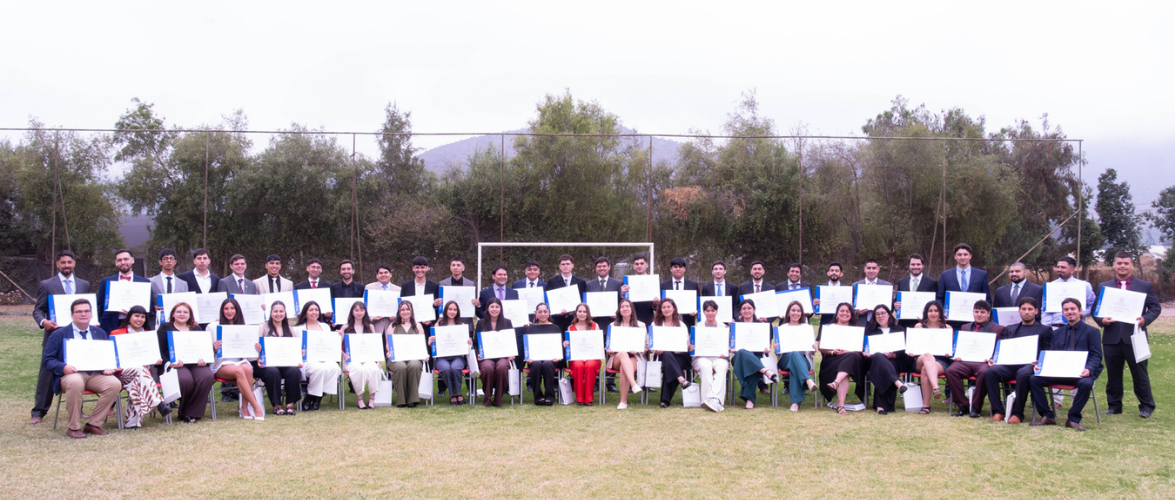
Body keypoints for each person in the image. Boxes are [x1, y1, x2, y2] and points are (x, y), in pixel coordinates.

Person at [1093, 251, 1161, 418]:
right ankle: (1114, 406)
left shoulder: (1144, 285)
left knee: (1140, 374)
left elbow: (1155, 308)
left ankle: (1146, 406)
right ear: (1114, 265)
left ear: (1131, 265)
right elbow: (1096, 310)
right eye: (1119, 263)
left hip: (1135, 337)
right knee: (1113, 374)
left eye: (1126, 263)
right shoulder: (1104, 286)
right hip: (1111, 337)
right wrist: (1103, 321)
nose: (1122, 266)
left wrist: (1145, 319)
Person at [41, 299, 122, 438]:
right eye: (79, 311)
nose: (83, 314)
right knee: (76, 381)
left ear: (91, 314)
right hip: (70, 375)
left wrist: (109, 367)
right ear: (72, 315)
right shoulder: (59, 334)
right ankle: (74, 428)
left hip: (95, 374)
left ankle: (93, 424)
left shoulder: (100, 333)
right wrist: (63, 367)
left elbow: (107, 356)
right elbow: (47, 360)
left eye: (86, 311)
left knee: (114, 383)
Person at [30, 250, 91, 424]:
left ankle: (78, 409)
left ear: (74, 264)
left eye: (69, 262)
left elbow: (87, 307)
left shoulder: (83, 284)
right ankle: (38, 412)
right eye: (63, 263)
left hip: (78, 335)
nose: (66, 265)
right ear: (57, 264)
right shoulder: (47, 284)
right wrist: (43, 322)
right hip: (54, 334)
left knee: (77, 370)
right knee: (47, 373)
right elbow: (38, 310)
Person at [1029, 298, 1104, 431]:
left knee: (1086, 384)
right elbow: (1051, 353)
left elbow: (1096, 355)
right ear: (1063, 313)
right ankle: (1047, 415)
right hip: (1059, 371)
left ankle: (1073, 418)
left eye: (1073, 309)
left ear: (1080, 311)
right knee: (1034, 379)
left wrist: (1089, 369)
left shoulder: (1092, 332)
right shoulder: (1056, 333)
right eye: (1066, 310)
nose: (1069, 312)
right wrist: (1041, 363)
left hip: (1081, 372)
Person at [983, 297, 1052, 423]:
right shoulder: (1010, 328)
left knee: (1023, 373)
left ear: (1036, 311)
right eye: (1024, 309)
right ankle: (998, 411)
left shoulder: (1045, 330)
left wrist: (1039, 361)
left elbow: (1047, 351)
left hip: (1030, 365)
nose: (1027, 312)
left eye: (1030, 309)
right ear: (1019, 311)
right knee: (990, 372)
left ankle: (1017, 413)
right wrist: (994, 359)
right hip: (1010, 364)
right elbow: (1003, 348)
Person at [108, 305, 170, 427]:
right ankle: (158, 402)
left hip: (143, 376)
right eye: (136, 315)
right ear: (129, 317)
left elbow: (153, 355)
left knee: (137, 380)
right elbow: (111, 357)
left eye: (142, 317)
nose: (139, 319)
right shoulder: (117, 334)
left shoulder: (149, 335)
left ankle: (132, 423)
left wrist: (156, 360)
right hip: (123, 373)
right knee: (139, 371)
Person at [206, 297, 265, 420]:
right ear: (222, 311)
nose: (229, 311)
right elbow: (206, 352)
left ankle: (244, 408)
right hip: (220, 365)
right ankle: (256, 406)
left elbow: (251, 357)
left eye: (232, 308)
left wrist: (256, 349)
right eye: (226, 308)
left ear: (237, 310)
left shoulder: (243, 327)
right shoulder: (213, 327)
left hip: (239, 362)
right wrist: (213, 348)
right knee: (239, 370)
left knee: (248, 368)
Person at [156, 302, 215, 423]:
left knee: (207, 376)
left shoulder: (197, 329)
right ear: (173, 313)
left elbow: (204, 349)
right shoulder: (165, 327)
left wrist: (204, 360)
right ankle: (185, 412)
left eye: (185, 312)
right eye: (178, 311)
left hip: (195, 364)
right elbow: (159, 349)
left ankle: (191, 412)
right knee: (185, 380)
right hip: (175, 365)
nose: (182, 314)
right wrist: (169, 363)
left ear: (190, 315)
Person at [945, 300, 1006, 417]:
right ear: (973, 312)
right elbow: (959, 346)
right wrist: (956, 354)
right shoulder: (965, 327)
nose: (979, 314)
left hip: (984, 362)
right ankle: (963, 406)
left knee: (984, 372)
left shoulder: (998, 329)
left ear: (989, 314)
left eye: (982, 312)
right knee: (950, 371)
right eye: (976, 311)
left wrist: (992, 359)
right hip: (965, 361)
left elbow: (1001, 349)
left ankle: (976, 408)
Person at [817, 303, 866, 415]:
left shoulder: (856, 329)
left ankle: (836, 385)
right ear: (837, 314)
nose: (845, 313)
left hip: (853, 358)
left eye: (847, 311)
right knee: (845, 369)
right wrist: (832, 352)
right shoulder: (829, 327)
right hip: (833, 359)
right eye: (842, 311)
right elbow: (820, 346)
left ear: (851, 314)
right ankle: (841, 406)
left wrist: (848, 351)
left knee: (852, 357)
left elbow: (861, 348)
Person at [293, 301, 342, 411]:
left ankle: (316, 397)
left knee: (334, 368)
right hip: (307, 360)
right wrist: (299, 351)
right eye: (311, 310)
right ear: (305, 313)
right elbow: (293, 347)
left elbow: (331, 344)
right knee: (319, 369)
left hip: (325, 358)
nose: (314, 312)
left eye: (316, 310)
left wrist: (339, 336)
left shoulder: (325, 327)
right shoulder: (297, 329)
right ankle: (312, 396)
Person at [729, 299, 778, 409]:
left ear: (754, 310)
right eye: (744, 308)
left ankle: (749, 399)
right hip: (739, 358)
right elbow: (730, 346)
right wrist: (731, 348)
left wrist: (766, 348)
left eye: (749, 308)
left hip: (758, 356)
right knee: (742, 352)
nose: (747, 311)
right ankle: (765, 371)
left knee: (753, 365)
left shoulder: (762, 326)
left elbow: (767, 345)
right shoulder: (735, 326)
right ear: (740, 311)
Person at [257, 301, 302, 416]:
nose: (278, 314)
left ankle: (289, 405)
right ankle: (276, 406)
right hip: (268, 364)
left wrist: (299, 356)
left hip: (285, 363)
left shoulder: (290, 329)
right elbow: (258, 347)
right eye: (275, 311)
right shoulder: (263, 327)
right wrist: (259, 359)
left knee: (294, 371)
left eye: (281, 311)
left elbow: (294, 350)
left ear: (285, 313)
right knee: (273, 372)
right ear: (271, 313)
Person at [95, 248, 155, 333]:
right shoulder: (106, 281)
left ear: (132, 260)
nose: (123, 262)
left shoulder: (144, 282)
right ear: (116, 263)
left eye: (126, 259)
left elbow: (149, 308)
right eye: (119, 260)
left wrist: (136, 312)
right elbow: (100, 305)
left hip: (136, 325)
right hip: (111, 324)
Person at [863, 304, 908, 414]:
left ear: (889, 314)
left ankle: (880, 406)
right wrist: (867, 354)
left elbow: (905, 351)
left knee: (883, 368)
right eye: (877, 314)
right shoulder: (869, 330)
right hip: (873, 361)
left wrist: (894, 355)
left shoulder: (899, 329)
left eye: (883, 313)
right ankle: (897, 382)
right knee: (878, 356)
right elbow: (864, 348)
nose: (880, 316)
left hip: (894, 361)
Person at [775, 301, 819, 412]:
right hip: (785, 359)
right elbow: (778, 353)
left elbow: (812, 353)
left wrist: (814, 348)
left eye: (798, 311)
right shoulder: (781, 328)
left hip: (804, 360)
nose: (796, 313)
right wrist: (776, 348)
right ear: (788, 313)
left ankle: (795, 403)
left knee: (795, 366)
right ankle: (808, 380)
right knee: (794, 354)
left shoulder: (807, 328)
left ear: (802, 313)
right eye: (793, 310)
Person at [909, 301, 952, 414]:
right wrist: (911, 351)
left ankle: (926, 406)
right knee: (927, 355)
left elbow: (951, 349)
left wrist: (949, 352)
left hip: (940, 361)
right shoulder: (918, 327)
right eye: (930, 311)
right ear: (926, 313)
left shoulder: (947, 328)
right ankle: (935, 387)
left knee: (925, 369)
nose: (933, 313)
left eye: (936, 311)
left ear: (941, 313)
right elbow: (912, 346)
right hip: (920, 359)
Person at [936, 243, 992, 327]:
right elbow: (940, 297)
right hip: (952, 322)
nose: (962, 257)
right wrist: (941, 312)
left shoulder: (981, 275)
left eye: (965, 254)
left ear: (970, 256)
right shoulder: (945, 275)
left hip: (975, 322)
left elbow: (987, 298)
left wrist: (985, 315)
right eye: (959, 255)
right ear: (955, 256)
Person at [341, 301, 383, 409]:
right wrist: (343, 355)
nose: (359, 313)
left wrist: (378, 361)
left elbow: (375, 346)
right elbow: (337, 346)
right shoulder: (345, 327)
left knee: (374, 369)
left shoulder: (370, 327)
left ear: (365, 311)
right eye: (356, 310)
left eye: (362, 310)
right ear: (352, 312)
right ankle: (359, 399)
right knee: (360, 370)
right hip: (352, 360)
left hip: (368, 359)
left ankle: (371, 399)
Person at [431, 300, 474, 406]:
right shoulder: (439, 325)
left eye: (454, 309)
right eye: (450, 309)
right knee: (445, 369)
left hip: (457, 357)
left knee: (455, 368)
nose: (452, 311)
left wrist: (469, 342)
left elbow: (468, 344)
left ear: (457, 312)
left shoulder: (462, 325)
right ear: (445, 310)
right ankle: (453, 394)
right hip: (442, 358)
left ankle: (457, 393)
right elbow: (432, 343)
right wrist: (431, 340)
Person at [474, 298, 515, 407]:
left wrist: (511, 353)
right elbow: (476, 343)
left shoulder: (507, 322)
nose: (494, 309)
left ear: (501, 309)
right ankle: (487, 398)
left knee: (502, 366)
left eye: (497, 307)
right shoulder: (481, 323)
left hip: (502, 355)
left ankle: (498, 399)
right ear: (487, 308)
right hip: (486, 357)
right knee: (487, 368)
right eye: (492, 306)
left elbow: (511, 341)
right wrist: (478, 354)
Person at [653, 298, 692, 408]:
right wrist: (656, 349)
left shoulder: (681, 325)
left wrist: (687, 345)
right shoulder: (655, 324)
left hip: (678, 355)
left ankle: (664, 401)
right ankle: (681, 379)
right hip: (661, 355)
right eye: (664, 307)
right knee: (666, 354)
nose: (666, 309)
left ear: (674, 308)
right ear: (660, 309)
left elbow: (685, 345)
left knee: (670, 364)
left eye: (669, 307)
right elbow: (651, 344)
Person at [606, 299, 645, 409]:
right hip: (617, 357)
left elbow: (646, 346)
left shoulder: (641, 325)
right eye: (622, 307)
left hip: (635, 356)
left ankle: (623, 402)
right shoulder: (613, 325)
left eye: (627, 306)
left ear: (632, 309)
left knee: (625, 367)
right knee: (623, 354)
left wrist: (638, 350)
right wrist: (610, 349)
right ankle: (634, 384)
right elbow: (608, 345)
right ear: (619, 310)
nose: (625, 308)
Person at [386, 301, 426, 408]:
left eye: (407, 309)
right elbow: (387, 344)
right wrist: (389, 352)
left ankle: (412, 399)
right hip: (396, 358)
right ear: (398, 312)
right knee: (401, 366)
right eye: (402, 309)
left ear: (412, 311)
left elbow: (421, 344)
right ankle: (401, 399)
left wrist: (424, 355)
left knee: (414, 365)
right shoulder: (393, 326)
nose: (405, 312)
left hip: (414, 357)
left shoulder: (418, 326)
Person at [693, 300, 729, 411]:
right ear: (703, 312)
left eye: (713, 310)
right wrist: (691, 346)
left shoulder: (723, 327)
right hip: (701, 357)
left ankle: (715, 399)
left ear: (717, 311)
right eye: (707, 310)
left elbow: (727, 346)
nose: (710, 313)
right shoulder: (697, 326)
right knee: (705, 366)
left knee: (722, 367)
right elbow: (693, 345)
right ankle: (707, 399)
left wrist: (726, 352)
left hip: (719, 357)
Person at [563, 303, 602, 406]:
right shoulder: (570, 328)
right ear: (576, 313)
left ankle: (588, 399)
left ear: (588, 313)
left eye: (584, 312)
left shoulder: (595, 326)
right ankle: (580, 398)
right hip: (577, 357)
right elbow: (570, 348)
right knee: (578, 365)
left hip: (592, 357)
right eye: (580, 311)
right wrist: (566, 344)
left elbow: (598, 344)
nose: (582, 314)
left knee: (589, 365)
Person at [524, 303, 563, 406]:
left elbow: (558, 346)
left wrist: (558, 357)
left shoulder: (555, 328)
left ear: (549, 313)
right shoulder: (530, 329)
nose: (542, 314)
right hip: (534, 359)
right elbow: (527, 347)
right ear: (536, 313)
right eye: (540, 311)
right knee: (536, 364)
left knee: (547, 364)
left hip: (552, 359)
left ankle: (550, 396)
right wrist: (527, 358)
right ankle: (538, 396)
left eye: (545, 311)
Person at [1041, 256, 1096, 328]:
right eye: (1058, 267)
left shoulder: (1084, 286)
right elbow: (1045, 310)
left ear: (1072, 270)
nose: (1059, 269)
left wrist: (1082, 314)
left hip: (1076, 327)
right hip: (1055, 327)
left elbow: (1092, 305)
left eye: (1063, 267)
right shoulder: (1050, 286)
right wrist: (1045, 327)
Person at [894, 253, 938, 329]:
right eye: (913, 264)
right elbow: (897, 301)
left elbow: (936, 303)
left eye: (918, 264)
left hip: (924, 324)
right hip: (904, 323)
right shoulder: (901, 282)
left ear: (923, 265)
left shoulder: (932, 283)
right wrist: (895, 305)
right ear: (909, 265)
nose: (915, 267)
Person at [545, 254, 587, 331]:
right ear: (559, 266)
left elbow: (582, 300)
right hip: (557, 320)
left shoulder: (580, 282)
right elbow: (549, 300)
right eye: (563, 264)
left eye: (568, 264)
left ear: (572, 265)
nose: (565, 266)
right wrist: (556, 311)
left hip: (575, 319)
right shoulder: (552, 281)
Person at [584, 257, 624, 331]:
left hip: (613, 323)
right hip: (594, 324)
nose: (602, 268)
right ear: (596, 268)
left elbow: (621, 301)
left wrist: (617, 313)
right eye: (599, 266)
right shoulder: (588, 285)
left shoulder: (618, 283)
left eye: (604, 266)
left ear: (609, 267)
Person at [660, 257, 701, 326]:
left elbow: (698, 304)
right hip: (668, 324)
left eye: (680, 267)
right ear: (671, 269)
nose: (678, 269)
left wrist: (695, 310)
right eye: (675, 267)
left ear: (684, 269)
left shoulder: (693, 285)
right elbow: (660, 305)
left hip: (688, 322)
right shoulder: (663, 285)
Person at [853, 259, 892, 323]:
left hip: (881, 323)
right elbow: (851, 306)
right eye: (868, 268)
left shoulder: (887, 286)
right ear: (864, 269)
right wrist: (856, 311)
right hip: (862, 322)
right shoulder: (855, 286)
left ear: (878, 270)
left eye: (874, 268)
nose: (871, 271)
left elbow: (891, 308)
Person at [365, 264, 401, 334]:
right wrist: (372, 318)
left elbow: (401, 309)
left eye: (386, 272)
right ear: (377, 276)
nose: (383, 275)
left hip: (392, 326)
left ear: (390, 274)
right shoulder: (369, 288)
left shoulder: (398, 290)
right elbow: (364, 306)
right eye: (380, 273)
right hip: (375, 326)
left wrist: (396, 317)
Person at [625, 253, 656, 326]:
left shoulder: (653, 281)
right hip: (631, 319)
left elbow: (657, 306)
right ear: (633, 266)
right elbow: (624, 301)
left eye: (642, 263)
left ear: (647, 265)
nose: (639, 266)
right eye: (637, 264)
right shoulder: (627, 282)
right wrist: (623, 294)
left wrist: (656, 304)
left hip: (648, 318)